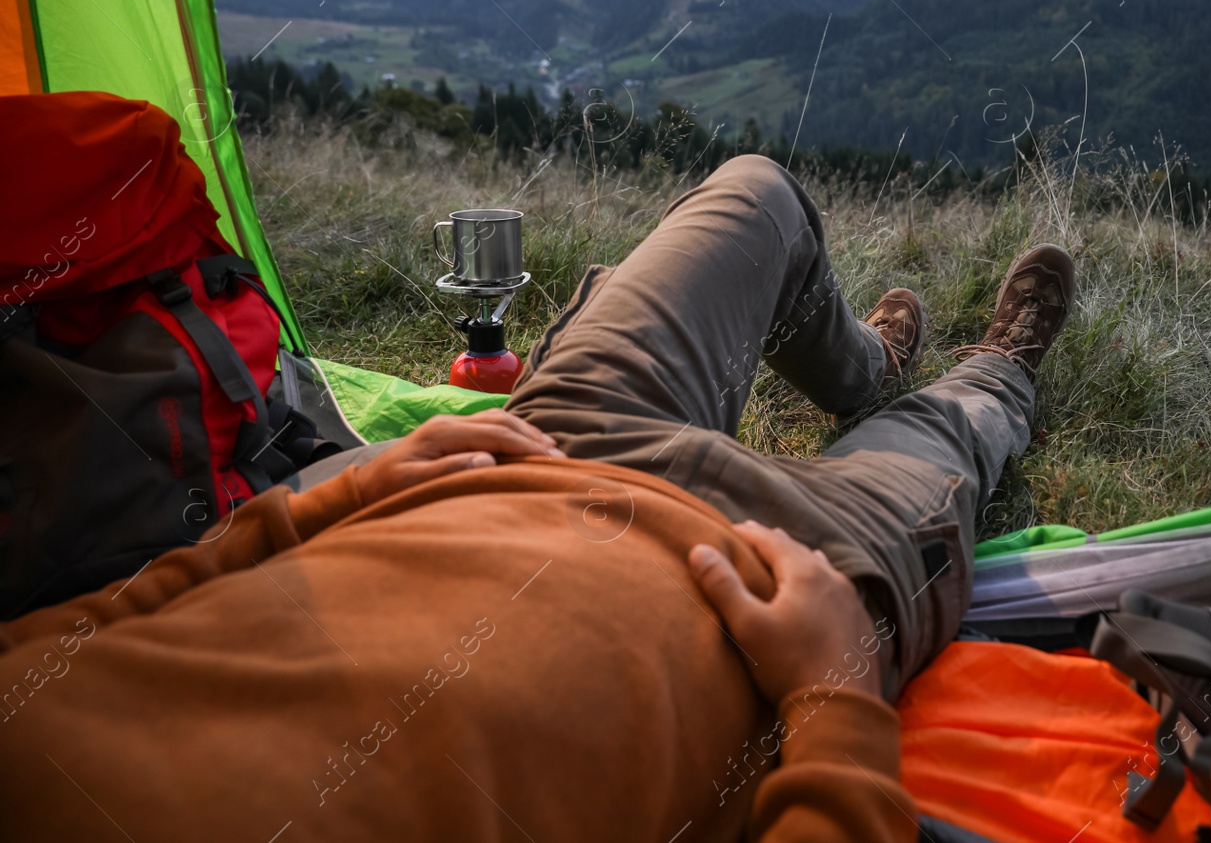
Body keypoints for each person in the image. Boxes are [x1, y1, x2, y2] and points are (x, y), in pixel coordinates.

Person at [0, 155, 1074, 841]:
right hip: (759, 605)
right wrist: (834, 700)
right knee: (944, 443)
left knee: (757, 194)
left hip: (528, 455)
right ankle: (996, 373)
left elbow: (98, 618)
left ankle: (861, 372)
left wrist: (314, 507)